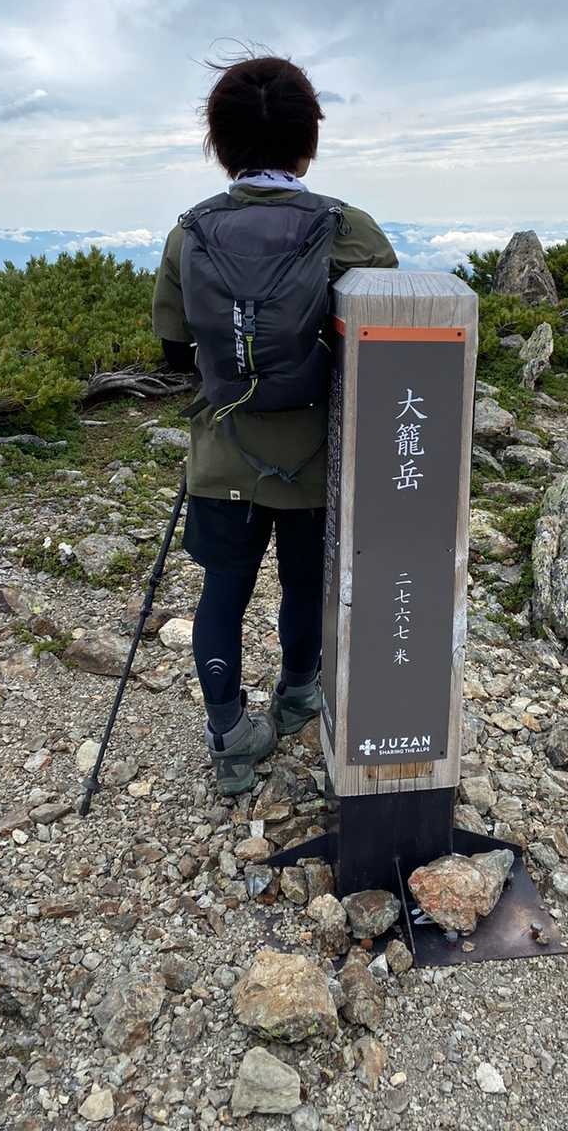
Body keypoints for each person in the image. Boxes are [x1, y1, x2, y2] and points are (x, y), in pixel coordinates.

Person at [152, 54, 397, 796]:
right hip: (316, 455)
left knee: (223, 591)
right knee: (304, 585)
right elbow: (390, 336)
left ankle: (229, 739)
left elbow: (174, 353)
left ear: (220, 143)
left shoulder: (189, 233)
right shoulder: (348, 229)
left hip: (223, 452)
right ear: (308, 142)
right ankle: (297, 696)